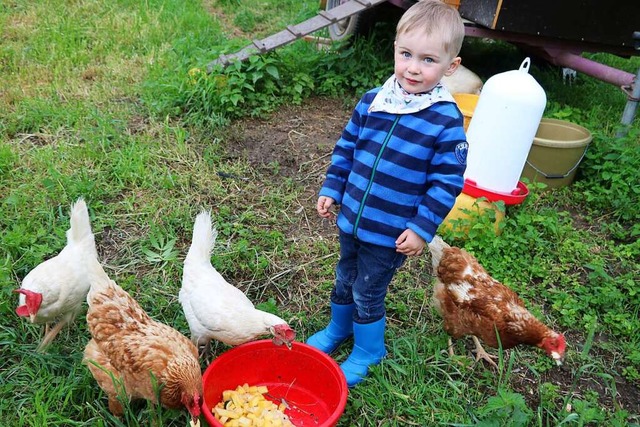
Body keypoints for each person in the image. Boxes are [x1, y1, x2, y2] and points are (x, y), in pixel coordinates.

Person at [306, 0, 469, 387]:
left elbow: (447, 181)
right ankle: (338, 329)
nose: (413, 67)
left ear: (451, 67)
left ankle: (369, 349)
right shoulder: (374, 100)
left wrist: (421, 227)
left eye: (428, 60)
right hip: (352, 218)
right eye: (406, 54)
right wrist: (334, 187)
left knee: (367, 288)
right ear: (395, 49)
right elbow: (347, 147)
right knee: (345, 275)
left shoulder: (444, 120)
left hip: (390, 231)